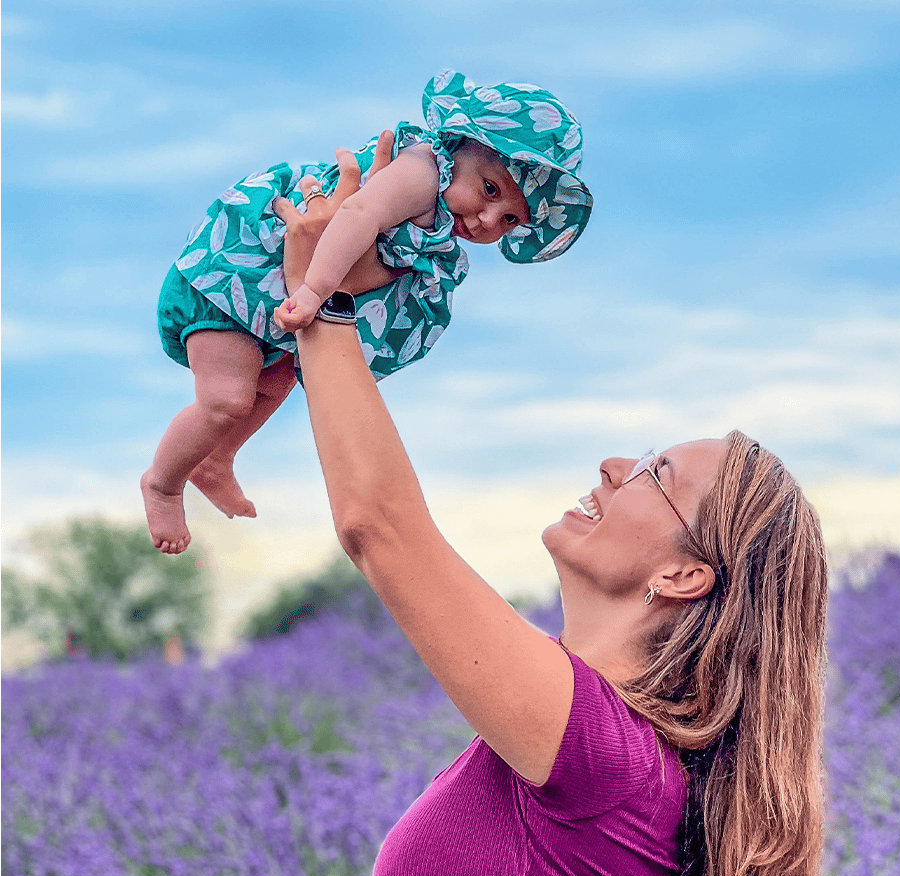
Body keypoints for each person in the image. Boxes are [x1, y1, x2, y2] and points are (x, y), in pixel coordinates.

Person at [276, 168, 828, 876]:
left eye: (655, 474)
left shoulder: (603, 756)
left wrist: (323, 305)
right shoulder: (581, 743)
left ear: (686, 574)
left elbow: (382, 529)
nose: (614, 463)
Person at [143, 70, 592, 554]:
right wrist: (314, 291)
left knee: (276, 384)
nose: (487, 219)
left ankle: (218, 457)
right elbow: (358, 216)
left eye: (509, 219)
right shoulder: (422, 171)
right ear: (461, 146)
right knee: (228, 399)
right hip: (228, 281)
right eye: (489, 189)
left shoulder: (440, 213)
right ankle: (163, 483)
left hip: (265, 310)